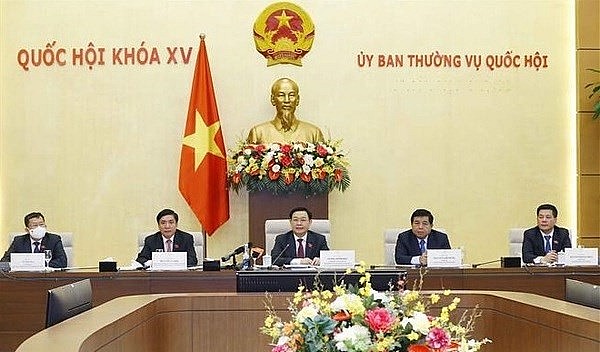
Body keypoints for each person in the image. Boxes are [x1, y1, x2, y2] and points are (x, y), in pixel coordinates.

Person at [246, 77, 325, 144]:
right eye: (281, 95)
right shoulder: (258, 133)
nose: (287, 100)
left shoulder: (314, 133)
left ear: (297, 100)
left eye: (291, 95)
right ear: (273, 99)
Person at [0, 212, 67, 268]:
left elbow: (62, 262)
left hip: (47, 278)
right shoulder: (18, 241)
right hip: (24, 278)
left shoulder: (54, 240)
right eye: (35, 225)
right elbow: (4, 261)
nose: (39, 228)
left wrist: (36, 264)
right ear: (27, 230)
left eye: (41, 224)